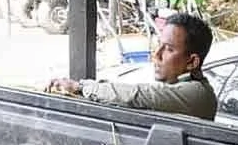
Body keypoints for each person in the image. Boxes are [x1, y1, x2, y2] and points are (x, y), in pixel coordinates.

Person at [47, 13, 218, 121]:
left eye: (169, 49)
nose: (156, 54)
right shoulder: (181, 89)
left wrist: (80, 87)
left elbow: (136, 96)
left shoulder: (198, 94)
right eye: (159, 45)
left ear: (192, 62)